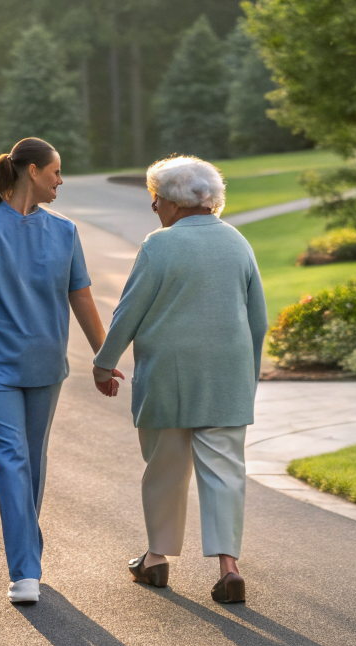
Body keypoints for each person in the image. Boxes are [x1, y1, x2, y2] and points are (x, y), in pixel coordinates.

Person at [0, 137, 110, 605]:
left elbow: (81, 296)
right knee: (12, 461)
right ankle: (25, 571)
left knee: (32, 463)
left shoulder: (65, 230)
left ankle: (25, 556)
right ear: (32, 171)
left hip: (45, 366)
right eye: (55, 171)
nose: (61, 181)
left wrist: (104, 357)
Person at [92, 155, 268, 604]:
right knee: (225, 473)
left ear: (172, 201)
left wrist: (103, 363)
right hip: (227, 376)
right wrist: (247, 378)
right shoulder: (238, 243)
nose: (153, 206)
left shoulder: (159, 245)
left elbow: (128, 312)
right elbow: (258, 321)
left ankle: (156, 559)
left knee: (165, 469)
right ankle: (229, 568)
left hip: (167, 375)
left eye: (155, 197)